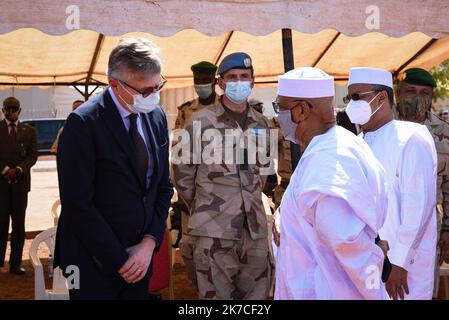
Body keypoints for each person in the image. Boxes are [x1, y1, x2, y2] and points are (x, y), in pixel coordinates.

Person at [54, 38, 173, 299]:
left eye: (158, 86)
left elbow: (162, 185)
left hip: (141, 259)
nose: (153, 96)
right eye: (144, 91)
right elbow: (77, 204)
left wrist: (148, 243)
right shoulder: (83, 123)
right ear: (114, 84)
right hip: (93, 262)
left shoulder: (156, 116)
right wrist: (119, 259)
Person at [274, 67, 389, 300]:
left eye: (280, 108)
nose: (277, 117)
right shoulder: (337, 145)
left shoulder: (329, 161)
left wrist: (377, 270)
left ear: (301, 111)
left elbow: (345, 241)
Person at [172, 52, 274, 299]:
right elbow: (181, 174)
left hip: (255, 231)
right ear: (220, 83)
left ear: (252, 81)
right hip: (213, 231)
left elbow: (264, 173)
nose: (238, 82)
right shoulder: (197, 122)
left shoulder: (262, 124)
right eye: (232, 77)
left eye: (244, 76)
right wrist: (206, 206)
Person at [346, 67, 437, 300]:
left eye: (357, 97)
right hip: (368, 264)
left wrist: (400, 263)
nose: (351, 104)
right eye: (349, 98)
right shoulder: (356, 143)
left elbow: (420, 205)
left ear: (382, 97)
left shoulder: (411, 137)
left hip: (403, 269)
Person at [396, 67, 449, 298]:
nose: (418, 98)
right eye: (410, 91)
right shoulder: (379, 126)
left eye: (425, 93)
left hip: (429, 228)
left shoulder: (444, 132)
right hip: (388, 225)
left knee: (423, 288)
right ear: (398, 93)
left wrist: (448, 227)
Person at [172, 61, 218, 287]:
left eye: (205, 81)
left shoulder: (228, 108)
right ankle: (198, 286)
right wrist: (185, 194)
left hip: (221, 191)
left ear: (215, 81)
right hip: (192, 193)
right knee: (190, 244)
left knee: (220, 246)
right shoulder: (185, 111)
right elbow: (179, 155)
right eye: (197, 81)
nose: (201, 85)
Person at [0, 97, 38, 275]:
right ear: (2, 110)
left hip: (20, 186)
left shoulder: (29, 131)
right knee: (0, 224)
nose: (11, 111)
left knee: (18, 225)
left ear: (20, 110)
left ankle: (15, 263)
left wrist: (19, 170)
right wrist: (6, 169)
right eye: (8, 108)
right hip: (1, 184)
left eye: (14, 108)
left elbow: (33, 156)